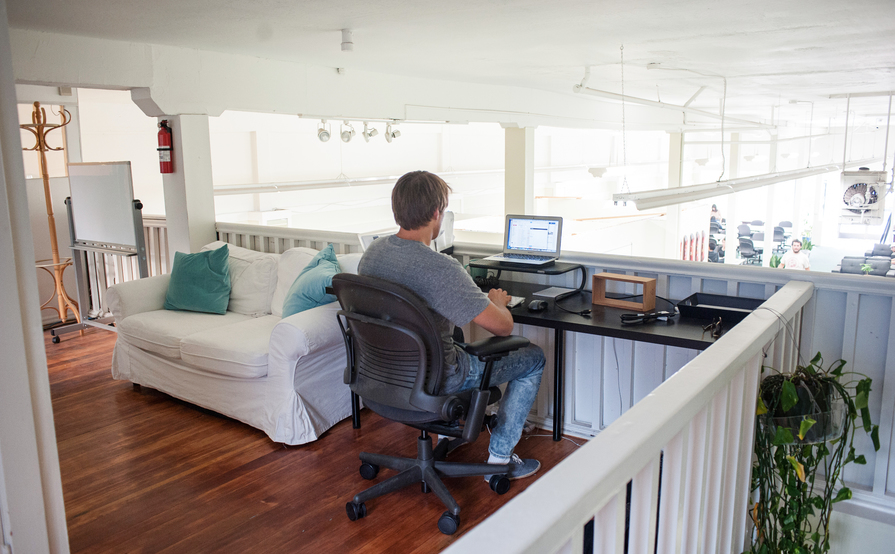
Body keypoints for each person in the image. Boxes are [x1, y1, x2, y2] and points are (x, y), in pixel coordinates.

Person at [358, 170, 545, 481]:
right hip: (441, 378)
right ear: (436, 213)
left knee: (455, 336)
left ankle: (449, 436)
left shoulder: (373, 254)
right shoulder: (441, 268)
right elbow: (502, 328)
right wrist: (497, 302)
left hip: (384, 374)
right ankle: (499, 461)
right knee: (533, 358)